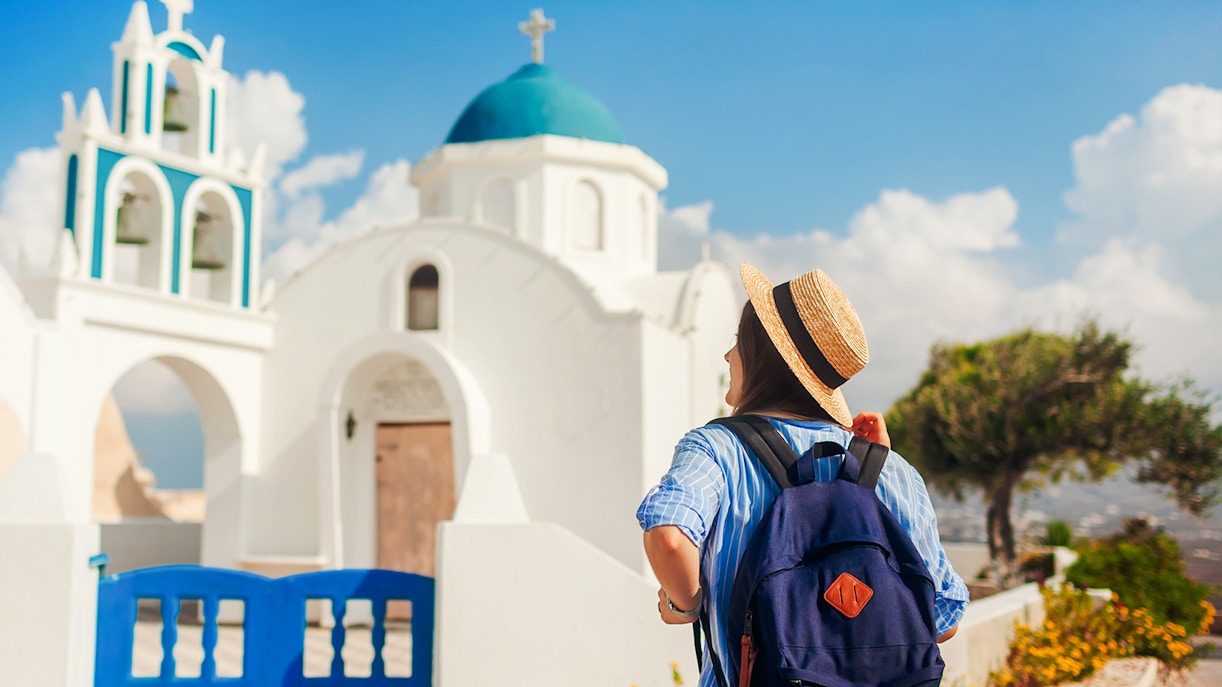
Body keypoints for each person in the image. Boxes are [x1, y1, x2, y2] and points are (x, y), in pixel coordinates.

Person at [637, 263, 969, 687]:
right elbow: (942, 622)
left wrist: (685, 605)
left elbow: (668, 537)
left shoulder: (716, 449)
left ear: (762, 359)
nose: (727, 356)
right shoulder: (896, 472)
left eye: (738, 342)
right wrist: (881, 469)